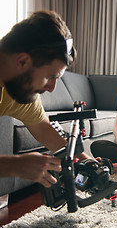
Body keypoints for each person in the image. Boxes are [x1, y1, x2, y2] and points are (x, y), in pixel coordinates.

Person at [0, 10, 92, 188]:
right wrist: (14, 165)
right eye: (50, 76)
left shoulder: (17, 89)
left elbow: (44, 130)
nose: (51, 88)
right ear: (22, 62)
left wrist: (88, 164)